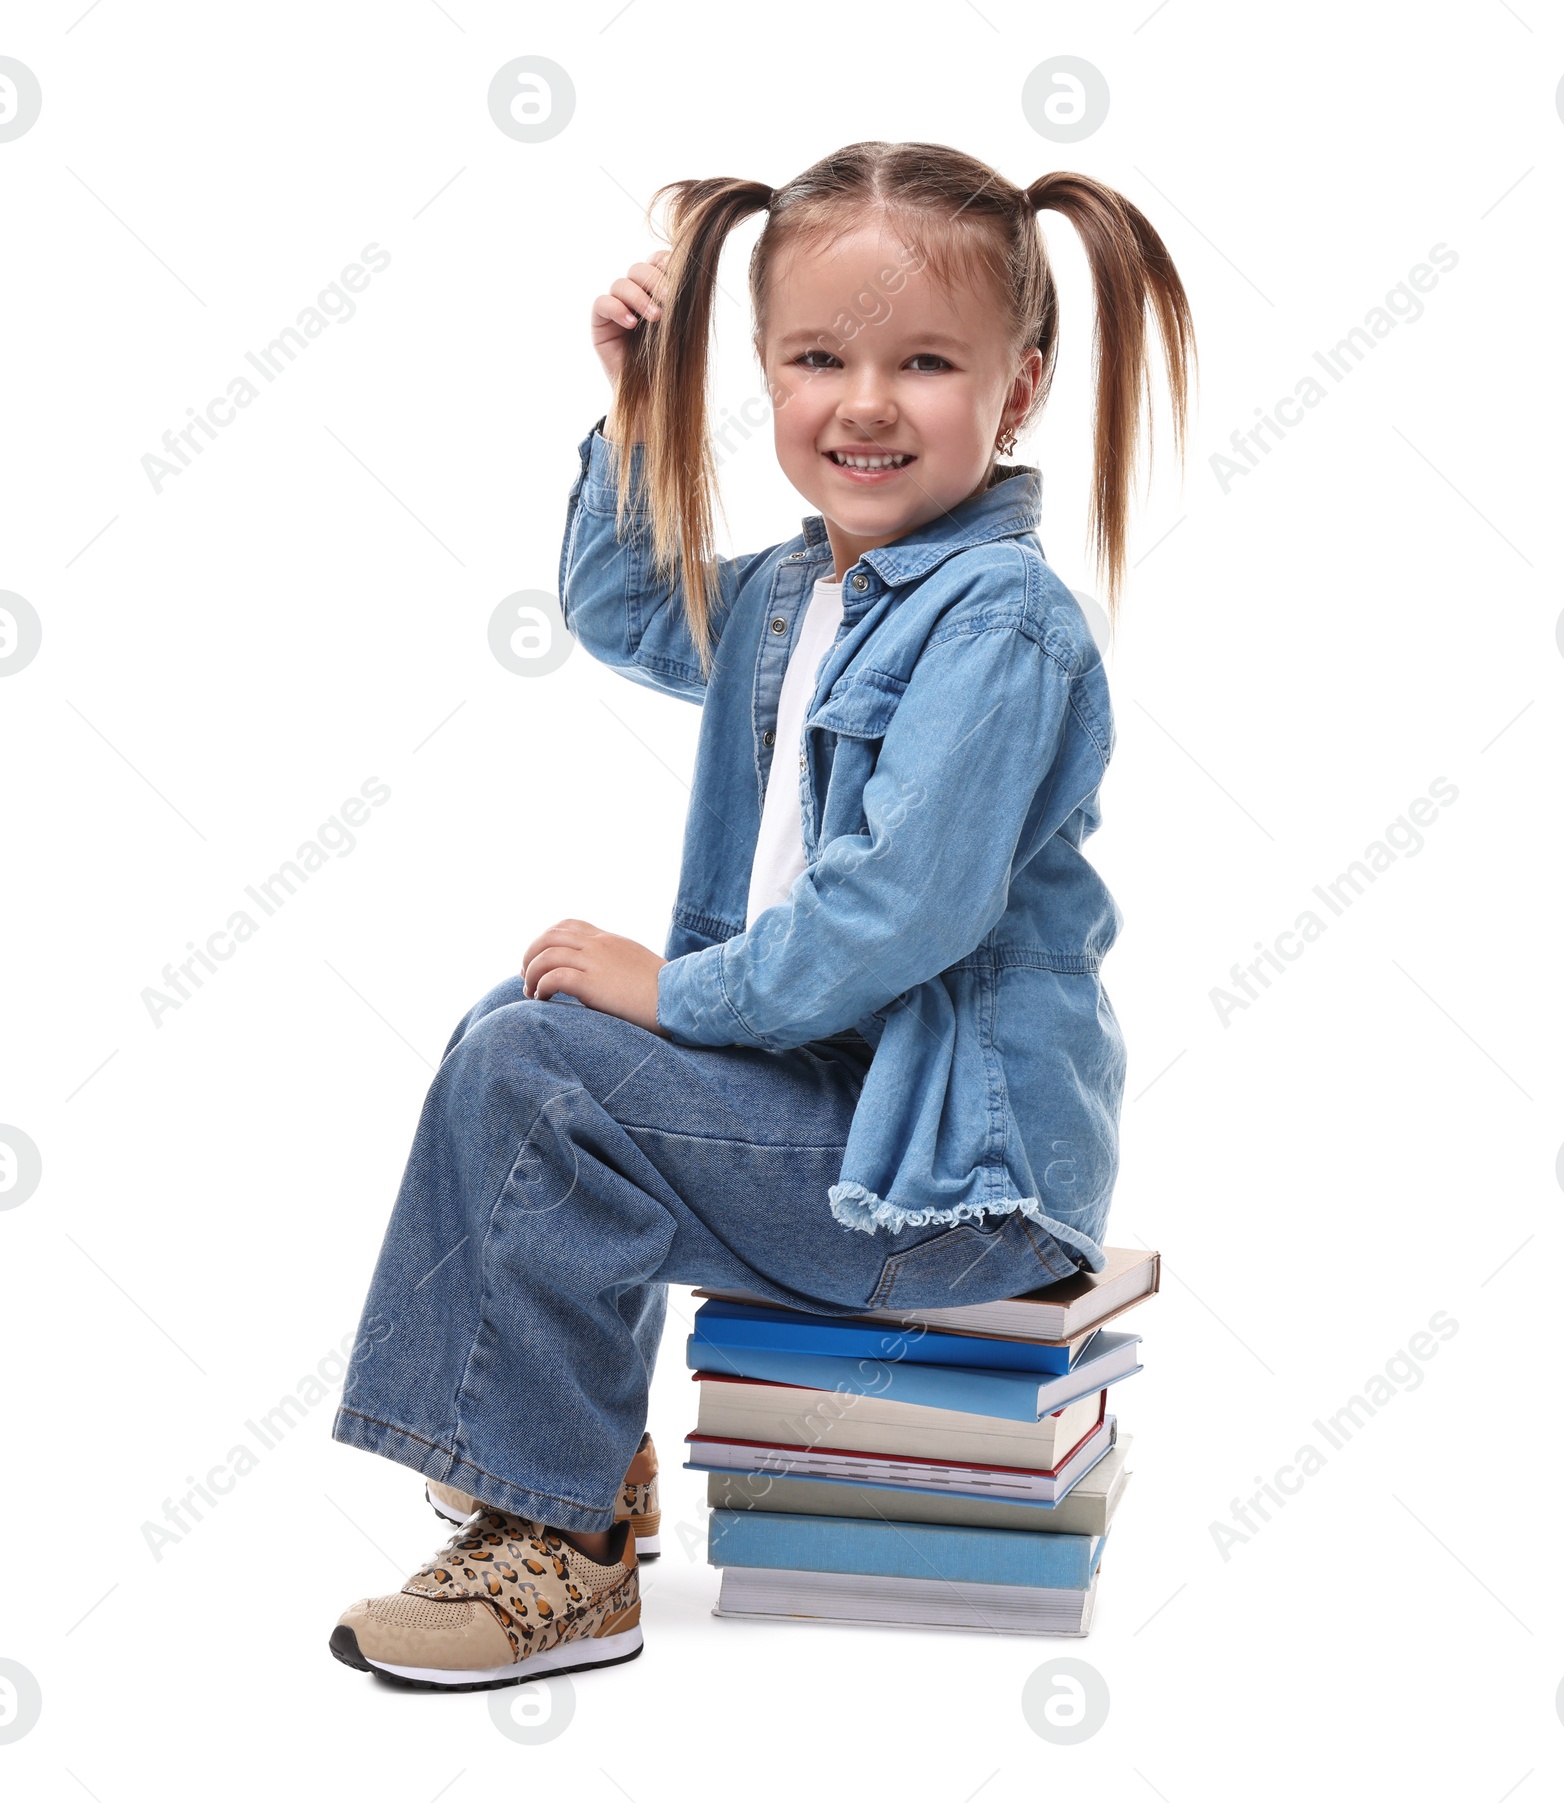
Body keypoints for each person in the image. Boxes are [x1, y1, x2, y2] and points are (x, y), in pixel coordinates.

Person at [328, 139, 1194, 1691]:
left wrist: (678, 995)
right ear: (769, 373)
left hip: (942, 1179)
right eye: (818, 357)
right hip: (827, 1120)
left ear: (1019, 390)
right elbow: (619, 606)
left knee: (547, 1070)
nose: (865, 400)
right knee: (513, 1030)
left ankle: (561, 1546)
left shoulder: (1000, 625)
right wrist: (634, 401)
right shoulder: (807, 594)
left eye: (925, 361)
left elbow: (895, 914)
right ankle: (571, 1464)